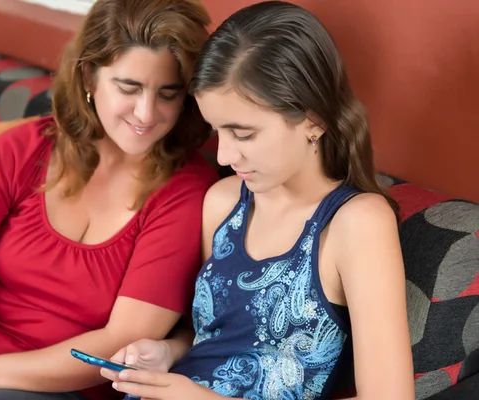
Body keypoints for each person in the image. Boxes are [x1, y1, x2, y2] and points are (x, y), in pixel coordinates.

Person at [0, 0, 218, 399]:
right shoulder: (24, 151)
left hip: (69, 383)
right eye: (129, 87)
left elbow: (122, 339)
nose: (146, 113)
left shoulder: (187, 190)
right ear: (90, 76)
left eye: (167, 94)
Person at [100, 1, 415, 399]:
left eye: (243, 134)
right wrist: (165, 352)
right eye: (218, 131)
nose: (224, 156)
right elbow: (212, 339)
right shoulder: (223, 202)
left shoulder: (356, 224)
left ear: (314, 119)